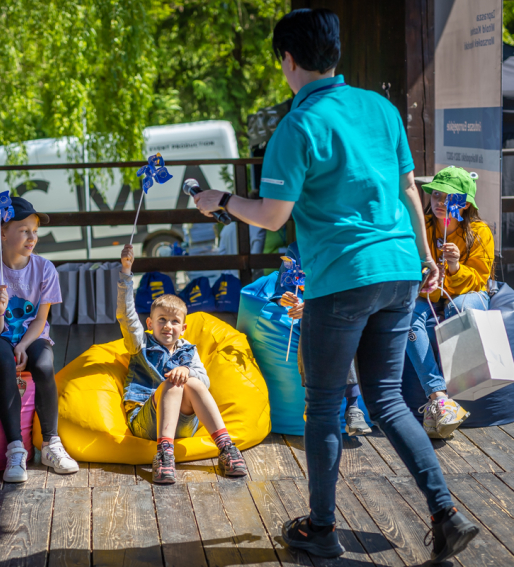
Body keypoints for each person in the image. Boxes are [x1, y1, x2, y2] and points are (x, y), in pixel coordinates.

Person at [192, 8, 478, 563]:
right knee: (389, 400)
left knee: (323, 408)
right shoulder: (383, 108)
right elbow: (410, 193)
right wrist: (424, 257)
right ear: (335, 55)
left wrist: (220, 200)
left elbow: (274, 216)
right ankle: (447, 513)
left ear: (288, 60)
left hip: (342, 280)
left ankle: (321, 529)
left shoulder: (297, 126)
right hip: (398, 270)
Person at [117, 244, 248, 484]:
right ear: (149, 323)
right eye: (161, 320)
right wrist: (126, 273)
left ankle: (226, 447)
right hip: (147, 421)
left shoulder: (189, 350)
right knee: (172, 384)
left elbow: (204, 380)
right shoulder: (140, 344)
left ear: (183, 327)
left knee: (195, 382)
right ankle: (165, 455)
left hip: (184, 424)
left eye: (174, 321)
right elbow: (126, 315)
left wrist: (187, 370)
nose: (168, 325)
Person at [0, 197, 78, 482]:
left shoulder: (45, 269)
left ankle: (51, 443)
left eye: (35, 231)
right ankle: (15, 448)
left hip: (31, 336)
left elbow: (41, 320)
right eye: (24, 230)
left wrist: (24, 345)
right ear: (2, 232)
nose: (32, 237)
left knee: (43, 366)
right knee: (3, 362)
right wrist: (0, 310)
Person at [407, 167, 493, 438]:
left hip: (466, 294)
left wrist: (455, 266)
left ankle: (463, 390)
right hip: (429, 296)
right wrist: (427, 276)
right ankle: (438, 397)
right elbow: (412, 273)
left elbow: (479, 280)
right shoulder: (423, 227)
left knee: (462, 308)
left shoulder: (479, 231)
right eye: (435, 195)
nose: (440, 202)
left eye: (448, 198)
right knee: (406, 317)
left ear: (464, 203)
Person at [275, 244, 371, 436]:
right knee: (310, 325)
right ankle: (312, 401)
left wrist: (314, 307)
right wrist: (285, 299)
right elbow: (282, 288)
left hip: (343, 309)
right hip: (313, 316)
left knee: (340, 326)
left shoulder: (345, 244)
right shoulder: (296, 249)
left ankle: (353, 407)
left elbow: (354, 291)